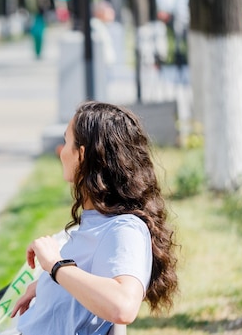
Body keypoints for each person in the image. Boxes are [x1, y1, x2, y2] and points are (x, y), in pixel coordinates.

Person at [11, 101, 178, 335]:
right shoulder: (100, 220)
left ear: (82, 154)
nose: (61, 151)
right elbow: (95, 276)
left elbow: (122, 307)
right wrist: (48, 284)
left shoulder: (124, 228)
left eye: (67, 142)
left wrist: (55, 265)